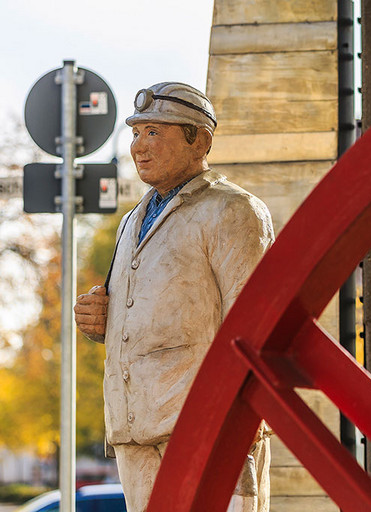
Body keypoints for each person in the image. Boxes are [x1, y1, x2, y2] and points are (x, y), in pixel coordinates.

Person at [74, 82, 274, 512]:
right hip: (134, 427)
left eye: (154, 133)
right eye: (136, 133)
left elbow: (258, 321)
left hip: (209, 425)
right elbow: (135, 313)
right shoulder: (132, 221)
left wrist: (247, 418)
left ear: (198, 140)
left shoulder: (232, 211)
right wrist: (98, 320)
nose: (138, 147)